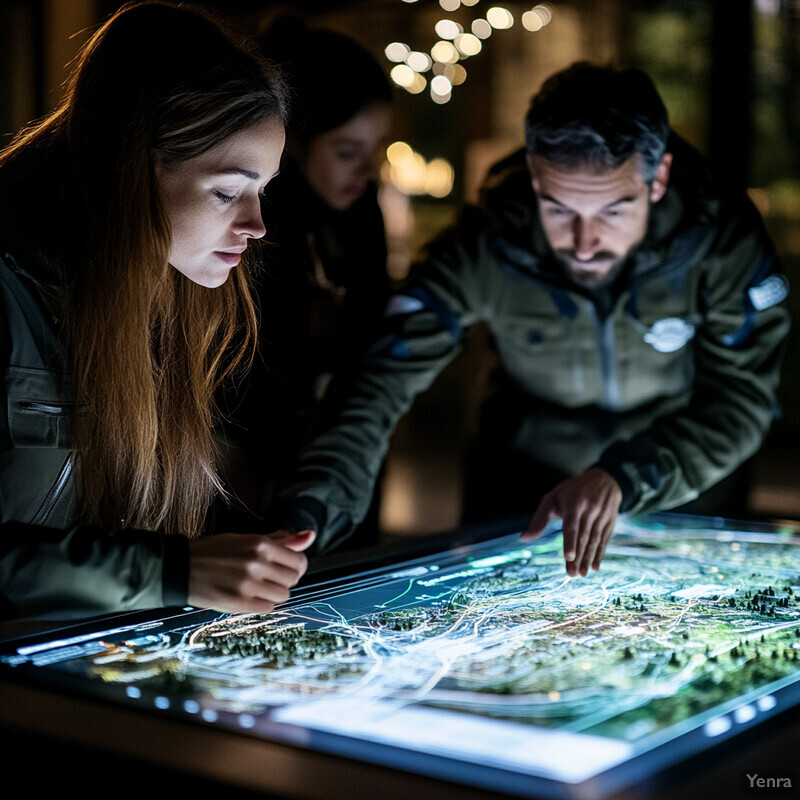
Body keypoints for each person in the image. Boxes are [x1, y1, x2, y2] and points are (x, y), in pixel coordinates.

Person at [271, 61, 791, 575]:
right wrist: (313, 505)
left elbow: (743, 399)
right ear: (535, 175)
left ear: (658, 180)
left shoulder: (722, 245)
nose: (584, 244)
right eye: (559, 209)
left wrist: (626, 476)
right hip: (523, 503)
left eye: (613, 210)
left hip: (682, 497)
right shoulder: (487, 245)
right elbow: (376, 381)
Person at [0, 1, 315, 621]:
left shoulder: (155, 286)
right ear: (131, 167)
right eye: (227, 191)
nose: (256, 225)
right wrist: (172, 572)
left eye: (262, 191)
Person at [218, 18, 393, 548]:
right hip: (241, 463)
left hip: (338, 451)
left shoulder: (361, 215)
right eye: (346, 152)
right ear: (292, 141)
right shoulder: (248, 223)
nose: (366, 171)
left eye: (377, 149)